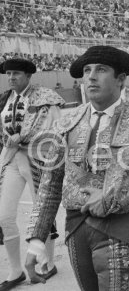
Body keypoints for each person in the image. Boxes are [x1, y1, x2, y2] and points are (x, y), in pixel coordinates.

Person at [25, 46, 129, 291]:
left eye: (101, 70)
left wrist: (109, 197)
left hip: (119, 230)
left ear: (121, 79)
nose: (91, 77)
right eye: (87, 70)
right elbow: (50, 185)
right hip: (75, 230)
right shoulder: (67, 123)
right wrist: (35, 242)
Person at [0, 58, 64, 291]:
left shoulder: (46, 97)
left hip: (38, 160)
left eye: (16, 73)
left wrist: (26, 139)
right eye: (8, 74)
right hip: (12, 161)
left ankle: (47, 264)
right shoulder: (6, 99)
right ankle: (15, 271)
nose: (11, 77)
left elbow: (57, 129)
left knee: (42, 211)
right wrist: (7, 141)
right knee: (4, 216)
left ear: (28, 75)